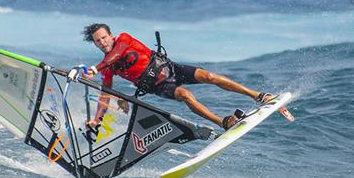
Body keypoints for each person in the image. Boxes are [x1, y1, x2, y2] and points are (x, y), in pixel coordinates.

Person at [80, 23, 275, 131]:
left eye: (104, 37)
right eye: (98, 41)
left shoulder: (123, 39)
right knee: (185, 94)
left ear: (111, 35)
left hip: (170, 68)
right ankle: (222, 122)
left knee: (209, 76)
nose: (102, 42)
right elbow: (105, 94)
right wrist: (97, 120)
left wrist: (95, 69)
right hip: (157, 86)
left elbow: (118, 53)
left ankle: (257, 95)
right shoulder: (107, 67)